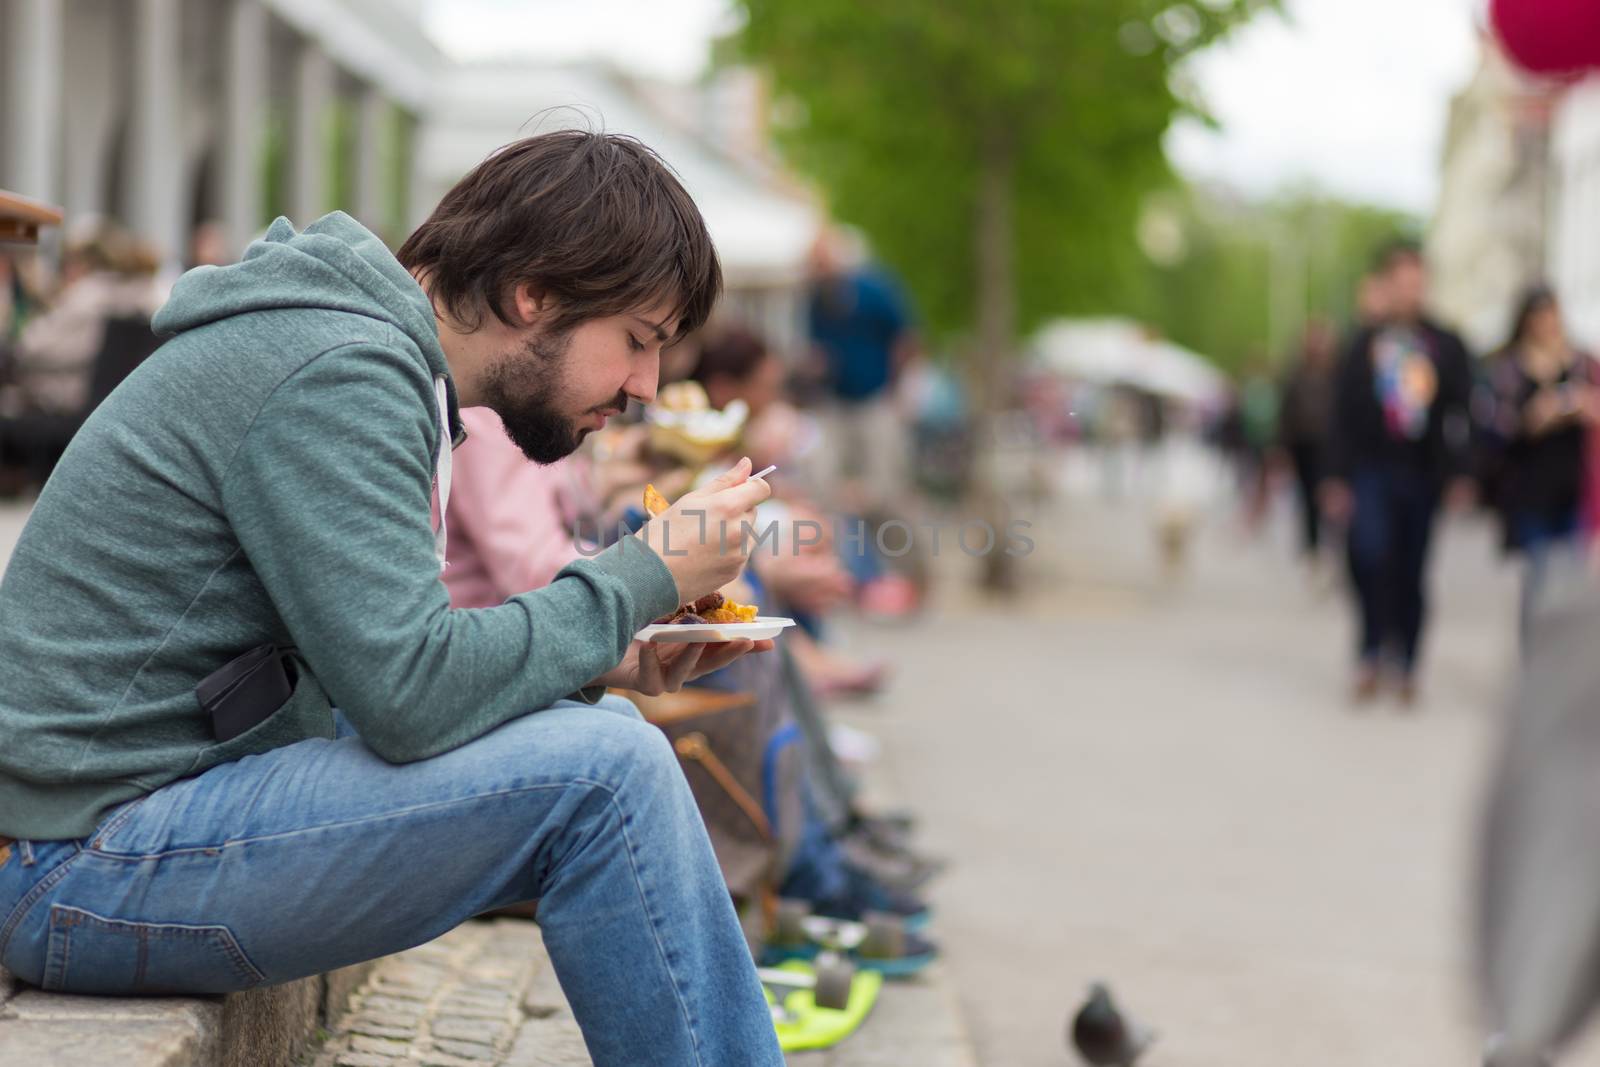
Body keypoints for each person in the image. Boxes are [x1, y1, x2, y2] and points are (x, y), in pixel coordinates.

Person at [0, 131, 787, 1066]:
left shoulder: (356, 350)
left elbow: (389, 662)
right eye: (637, 340)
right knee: (606, 774)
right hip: (78, 859)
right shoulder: (342, 368)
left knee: (607, 750)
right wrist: (644, 572)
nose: (647, 387)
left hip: (124, 823)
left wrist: (606, 656)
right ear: (533, 291)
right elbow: (407, 698)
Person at [1322, 241, 1476, 705]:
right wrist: (1335, 477)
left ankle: (1406, 658)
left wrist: (1463, 473)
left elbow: (1462, 410)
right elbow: (1341, 413)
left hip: (1421, 471)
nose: (1410, 291)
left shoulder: (1444, 343)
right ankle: (1371, 648)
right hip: (1372, 468)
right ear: (1387, 285)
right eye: (1402, 282)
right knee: (1369, 555)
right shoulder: (1364, 343)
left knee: (1411, 566)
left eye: (1417, 282)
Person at [1481, 286, 1599, 640]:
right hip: (1530, 490)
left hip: (1574, 488)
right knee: (1539, 578)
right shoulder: (1509, 369)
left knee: (1570, 580)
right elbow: (1496, 427)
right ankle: (1536, 661)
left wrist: (1582, 405)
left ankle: (1558, 659)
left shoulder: (1582, 363)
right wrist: (1533, 417)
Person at [1277, 319, 1339, 571]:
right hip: (1303, 446)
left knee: (1331, 496)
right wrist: (1283, 449)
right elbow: (1286, 413)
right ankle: (1313, 549)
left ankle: (1331, 547)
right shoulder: (1296, 373)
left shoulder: (1336, 372)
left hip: (1330, 447)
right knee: (1308, 499)